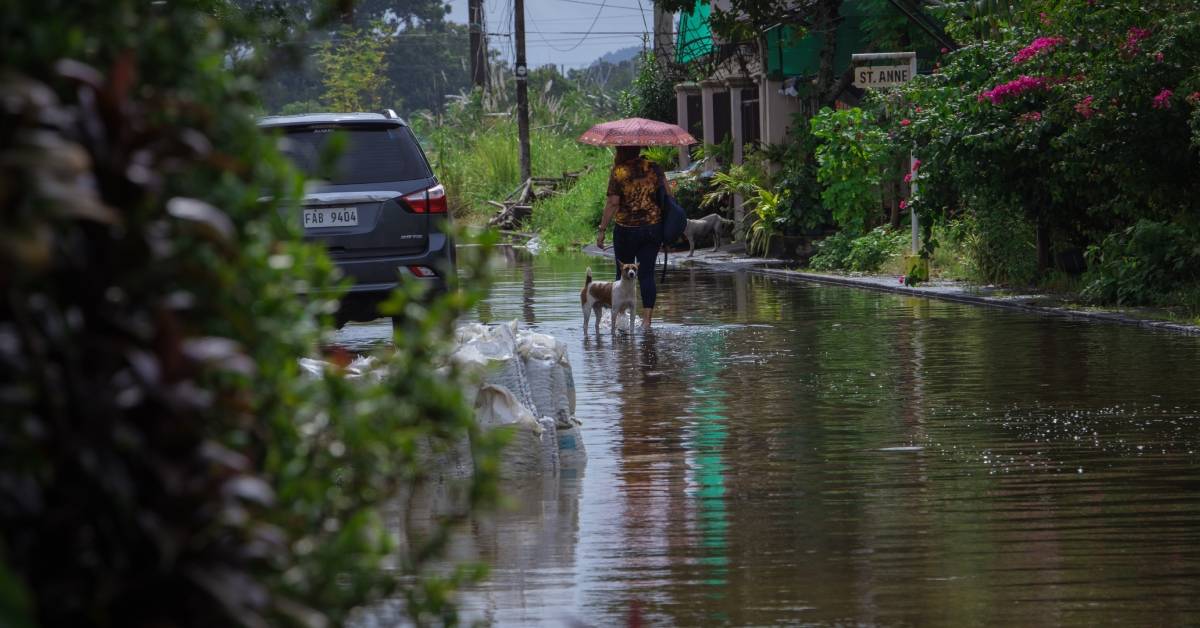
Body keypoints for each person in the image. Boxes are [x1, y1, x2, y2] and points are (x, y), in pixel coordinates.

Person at [596, 145, 668, 331]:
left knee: (623, 272)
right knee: (646, 275)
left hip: (626, 230)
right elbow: (668, 195)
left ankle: (620, 320)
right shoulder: (654, 167)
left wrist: (602, 229)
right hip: (652, 228)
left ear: (621, 150)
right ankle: (646, 322)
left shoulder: (619, 171)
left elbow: (613, 202)